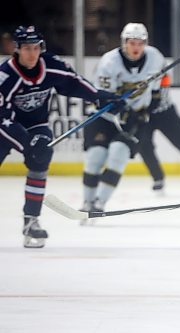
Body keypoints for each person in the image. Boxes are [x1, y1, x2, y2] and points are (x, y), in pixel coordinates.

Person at [0, 25, 122, 248]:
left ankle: (31, 222)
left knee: (41, 159)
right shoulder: (6, 77)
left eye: (36, 48)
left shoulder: (49, 65)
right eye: (27, 48)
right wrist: (27, 144)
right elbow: (2, 119)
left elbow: (73, 82)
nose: (32, 53)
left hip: (37, 124)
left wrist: (100, 97)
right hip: (5, 127)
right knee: (34, 150)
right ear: (16, 50)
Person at [81, 23, 165, 212]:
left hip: (136, 120)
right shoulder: (109, 62)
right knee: (96, 157)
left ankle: (99, 204)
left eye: (140, 43)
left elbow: (158, 86)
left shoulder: (155, 58)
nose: (136, 47)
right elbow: (102, 97)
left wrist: (154, 102)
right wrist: (122, 109)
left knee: (119, 154)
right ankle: (87, 202)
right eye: (131, 43)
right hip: (106, 118)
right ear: (124, 43)